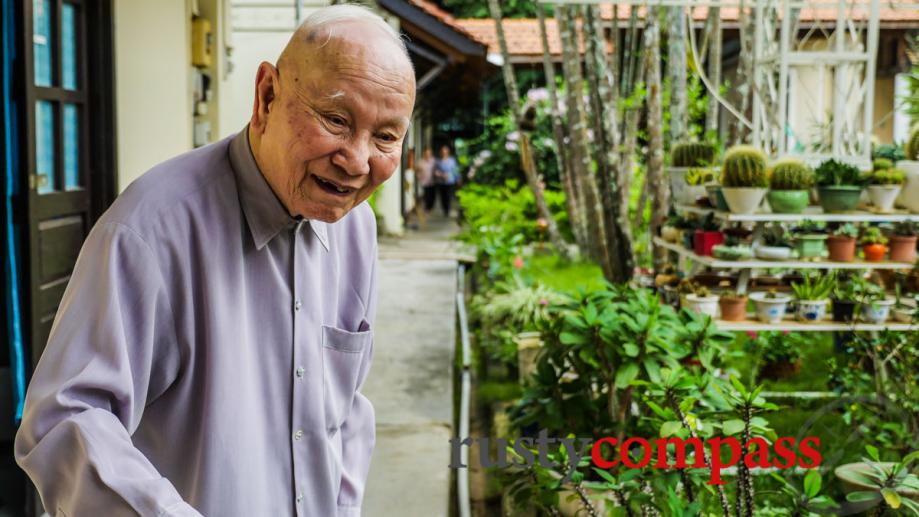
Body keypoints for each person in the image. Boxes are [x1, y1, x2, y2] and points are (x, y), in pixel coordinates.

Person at [14, 5, 415, 517]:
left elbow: (346, 409)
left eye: (385, 136)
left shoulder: (356, 228)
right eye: (336, 120)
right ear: (267, 95)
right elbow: (64, 420)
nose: (358, 161)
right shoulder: (151, 229)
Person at [434, 145, 459, 216]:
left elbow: (455, 171)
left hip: (450, 181)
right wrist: (440, 174)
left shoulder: (452, 161)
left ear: (448, 152)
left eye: (445, 152)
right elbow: (435, 171)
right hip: (441, 182)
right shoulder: (438, 161)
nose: (444, 153)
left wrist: (457, 178)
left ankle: (447, 209)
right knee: (442, 197)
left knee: (448, 196)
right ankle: (445, 209)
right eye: (442, 152)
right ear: (441, 153)